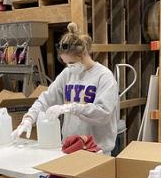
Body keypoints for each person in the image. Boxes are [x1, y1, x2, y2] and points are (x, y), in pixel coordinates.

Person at [12, 22, 119, 154]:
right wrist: (29, 118)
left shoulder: (104, 76)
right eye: (66, 63)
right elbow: (46, 99)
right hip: (70, 147)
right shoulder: (67, 74)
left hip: (96, 150)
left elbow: (103, 113)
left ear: (84, 54)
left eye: (72, 62)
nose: (69, 66)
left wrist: (72, 107)